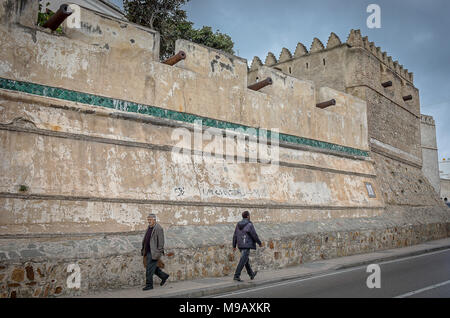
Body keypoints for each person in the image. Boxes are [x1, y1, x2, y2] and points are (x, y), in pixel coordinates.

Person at [141, 213, 169, 290]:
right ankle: (164, 276)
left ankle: (149, 285)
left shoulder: (158, 228)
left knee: (149, 269)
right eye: (148, 219)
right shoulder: (149, 227)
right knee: (152, 268)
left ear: (154, 220)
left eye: (150, 219)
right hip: (147, 252)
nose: (148, 221)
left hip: (153, 253)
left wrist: (158, 253)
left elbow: (161, 242)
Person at [232, 211, 262, 282]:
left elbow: (235, 235)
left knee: (245, 260)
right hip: (246, 244)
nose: (250, 216)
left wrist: (234, 245)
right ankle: (236, 275)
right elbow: (254, 235)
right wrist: (259, 243)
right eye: (249, 215)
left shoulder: (238, 224)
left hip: (240, 245)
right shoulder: (249, 224)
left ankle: (251, 274)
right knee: (243, 260)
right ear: (248, 216)